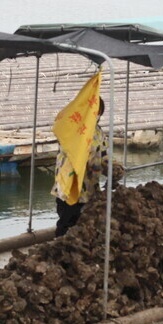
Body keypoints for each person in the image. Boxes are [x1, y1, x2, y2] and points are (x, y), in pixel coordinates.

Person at [53, 98, 123, 236]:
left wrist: (114, 166)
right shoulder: (72, 128)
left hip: (89, 188)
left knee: (86, 224)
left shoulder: (98, 131)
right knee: (67, 223)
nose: (96, 116)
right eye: (93, 112)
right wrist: (92, 162)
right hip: (69, 186)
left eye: (99, 113)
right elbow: (72, 153)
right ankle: (60, 248)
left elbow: (104, 153)